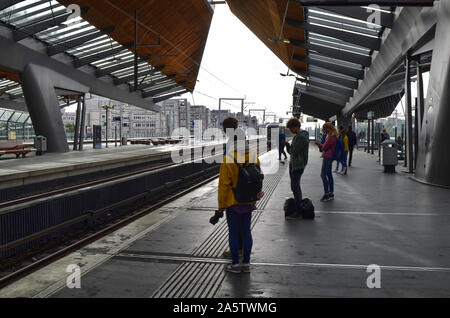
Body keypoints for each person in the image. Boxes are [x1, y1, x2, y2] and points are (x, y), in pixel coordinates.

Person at [218, 117, 261, 274]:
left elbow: (223, 186)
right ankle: (247, 264)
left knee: (234, 233)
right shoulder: (253, 157)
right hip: (249, 201)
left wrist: (221, 207)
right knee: (246, 232)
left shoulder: (227, 159)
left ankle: (235, 264)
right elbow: (257, 178)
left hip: (233, 201)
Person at [285, 118, 309, 219]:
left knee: (295, 187)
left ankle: (298, 212)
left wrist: (288, 146)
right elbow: (292, 151)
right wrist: (288, 146)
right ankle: (298, 208)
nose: (290, 131)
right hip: (295, 164)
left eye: (291, 128)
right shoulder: (297, 137)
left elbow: (294, 152)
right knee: (294, 186)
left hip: (298, 165)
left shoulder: (300, 138)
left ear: (295, 127)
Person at [316, 123, 338, 202]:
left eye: (324, 129)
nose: (324, 131)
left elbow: (325, 147)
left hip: (327, 157)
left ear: (328, 129)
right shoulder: (333, 135)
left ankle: (326, 194)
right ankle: (331, 193)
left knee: (323, 175)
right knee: (329, 174)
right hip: (330, 157)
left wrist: (319, 145)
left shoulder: (331, 137)